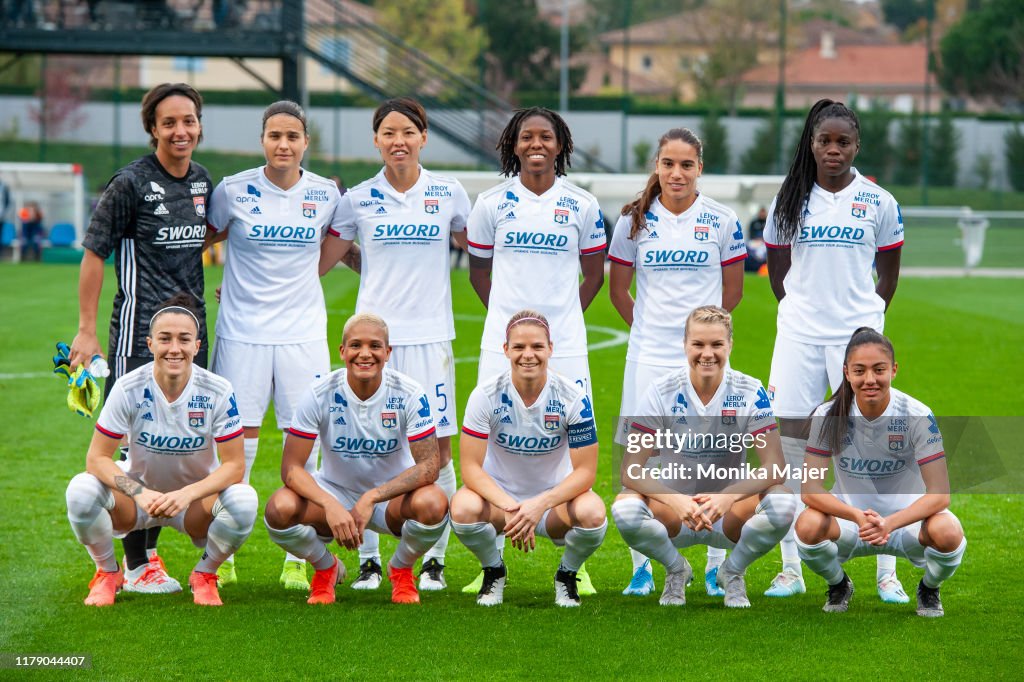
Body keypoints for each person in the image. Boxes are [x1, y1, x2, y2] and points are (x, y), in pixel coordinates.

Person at [318, 97, 470, 592]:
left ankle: (432, 561)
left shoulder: (449, 193)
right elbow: (324, 260)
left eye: (408, 131)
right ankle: (367, 560)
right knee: (360, 448)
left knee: (439, 452)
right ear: (377, 140)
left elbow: (483, 253)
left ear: (423, 137)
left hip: (431, 340)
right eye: (388, 132)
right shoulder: (357, 198)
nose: (398, 140)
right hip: (373, 341)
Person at [70, 82, 212, 596]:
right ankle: (135, 563)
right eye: (170, 122)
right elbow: (94, 253)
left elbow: (206, 236)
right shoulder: (129, 183)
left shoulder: (201, 180)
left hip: (191, 337)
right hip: (138, 337)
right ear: (152, 128)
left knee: (176, 444)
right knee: (134, 451)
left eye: (189, 121)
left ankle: (149, 558)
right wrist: (87, 330)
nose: (181, 131)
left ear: (199, 125)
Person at [764, 98, 905, 601]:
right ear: (812, 144)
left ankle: (886, 573)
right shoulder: (790, 198)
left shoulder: (879, 200)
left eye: (843, 141)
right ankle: (790, 570)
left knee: (872, 447)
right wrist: (803, 311)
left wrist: (864, 323)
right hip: (799, 336)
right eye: (824, 140)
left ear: (856, 145)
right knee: (791, 448)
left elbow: (888, 274)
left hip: (856, 338)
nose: (833, 149)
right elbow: (777, 271)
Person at [465, 106, 606, 594]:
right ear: (513, 143)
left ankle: (575, 563)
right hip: (500, 344)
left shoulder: (584, 205)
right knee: (493, 435)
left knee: (570, 445)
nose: (536, 144)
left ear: (561, 144)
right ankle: (493, 558)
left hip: (565, 347)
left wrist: (561, 323)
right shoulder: (489, 203)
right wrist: (512, 333)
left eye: (546, 136)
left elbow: (594, 276)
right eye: (527, 137)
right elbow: (477, 273)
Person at [204, 100, 342, 591]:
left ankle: (300, 556)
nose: (283, 144)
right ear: (262, 140)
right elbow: (201, 238)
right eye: (274, 136)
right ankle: (221, 551)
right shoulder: (233, 190)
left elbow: (338, 250)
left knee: (304, 444)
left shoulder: (327, 194)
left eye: (292, 136)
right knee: (234, 445)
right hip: (242, 334)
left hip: (303, 337)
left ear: (306, 143)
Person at [608, 127, 746, 598]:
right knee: (645, 455)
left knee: (716, 453)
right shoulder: (634, 221)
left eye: (686, 165)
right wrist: (651, 331)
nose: (676, 173)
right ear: (657, 166)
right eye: (668, 163)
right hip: (648, 355)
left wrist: (706, 339)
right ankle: (646, 566)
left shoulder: (723, 220)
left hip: (705, 354)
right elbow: (617, 291)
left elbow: (733, 293)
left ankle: (712, 562)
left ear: (699, 168)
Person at [64, 297, 258, 607]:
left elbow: (234, 466)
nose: (174, 348)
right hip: (138, 501)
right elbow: (96, 459)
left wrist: (187, 494)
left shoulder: (218, 390)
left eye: (184, 339)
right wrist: (138, 492)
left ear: (197, 345)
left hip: (193, 505)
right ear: (150, 343)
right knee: (80, 490)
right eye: (165, 339)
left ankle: (205, 574)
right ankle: (108, 573)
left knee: (245, 500)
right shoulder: (128, 387)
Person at [611, 306, 796, 608]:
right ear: (685, 345)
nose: (707, 353)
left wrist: (727, 497)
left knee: (783, 502)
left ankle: (732, 572)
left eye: (716, 344)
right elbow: (630, 470)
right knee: (625, 510)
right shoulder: (661, 390)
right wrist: (675, 500)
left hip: (728, 514)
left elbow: (775, 467)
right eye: (698, 344)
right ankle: (676, 569)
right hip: (674, 513)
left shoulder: (749, 391)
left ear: (730, 345)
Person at [262, 313, 449, 605]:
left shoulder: (410, 393)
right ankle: (326, 568)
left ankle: (400, 568)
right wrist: (329, 504)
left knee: (433, 503)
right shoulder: (319, 392)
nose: (365, 354)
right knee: (279, 509)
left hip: (390, 499)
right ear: (342, 351)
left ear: (388, 353)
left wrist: (372, 497)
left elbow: (429, 466)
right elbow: (291, 469)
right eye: (355, 345)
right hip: (334, 492)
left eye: (375, 346)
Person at [796, 328, 965, 617]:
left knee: (948, 532)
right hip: (851, 523)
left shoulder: (917, 414)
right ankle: (839, 584)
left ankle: (929, 588)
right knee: (807, 525)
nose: (870, 379)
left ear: (894, 370)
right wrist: (858, 516)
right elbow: (810, 490)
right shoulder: (827, 415)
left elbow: (940, 494)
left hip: (905, 524)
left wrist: (890, 523)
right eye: (860, 371)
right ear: (846, 372)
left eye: (879, 370)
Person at [451, 311, 606, 607]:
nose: (528, 355)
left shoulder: (573, 397)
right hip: (501, 503)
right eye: (519, 347)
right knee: (462, 508)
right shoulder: (485, 395)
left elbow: (586, 473)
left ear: (550, 349)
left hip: (553, 504)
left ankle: (567, 575)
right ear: (506, 349)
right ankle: (493, 570)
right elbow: (470, 468)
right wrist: (510, 506)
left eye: (537, 346)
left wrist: (539, 505)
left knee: (593, 513)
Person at [744, 207, 768, 273]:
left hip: (764, 242)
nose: (762, 214)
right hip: (755, 241)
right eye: (761, 212)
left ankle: (762, 265)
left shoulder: (768, 222)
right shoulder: (754, 222)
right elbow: (750, 233)